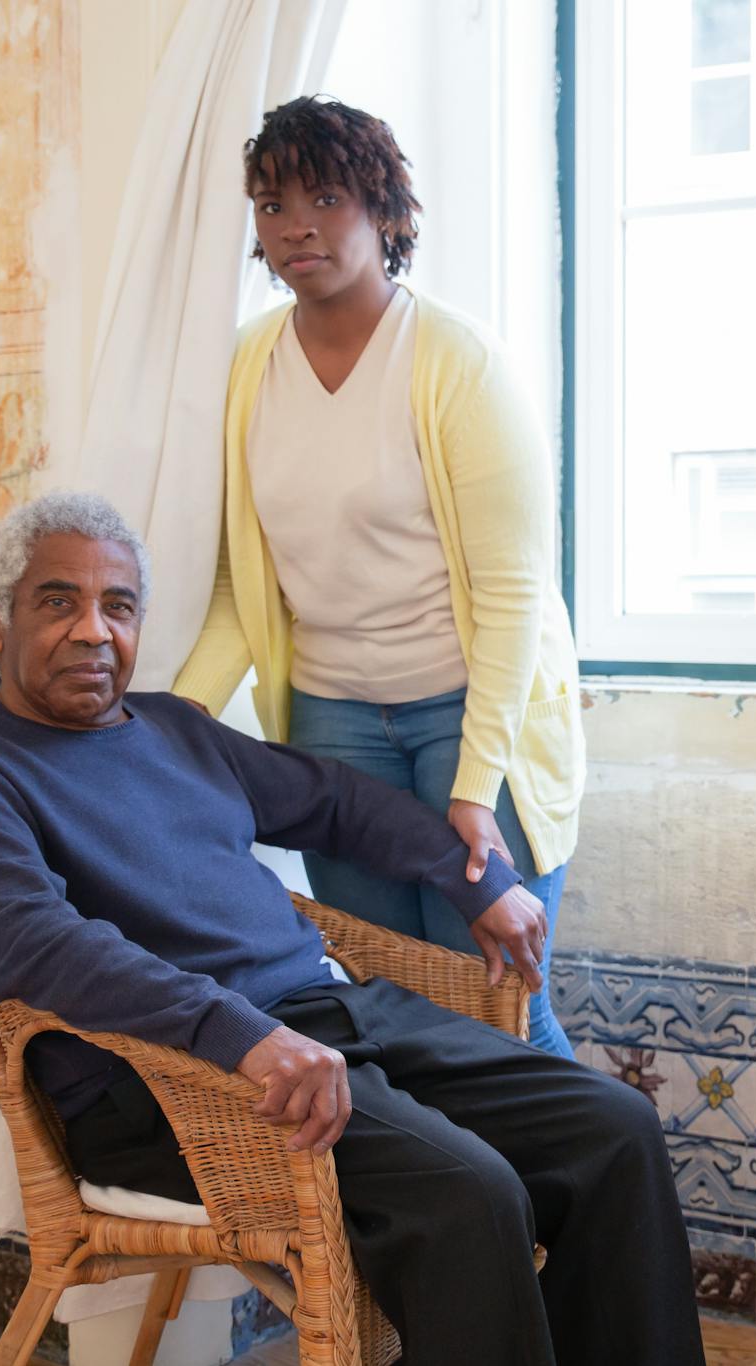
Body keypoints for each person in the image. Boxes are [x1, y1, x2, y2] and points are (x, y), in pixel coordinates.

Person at [0, 493, 703, 1366]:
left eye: (119, 606)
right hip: (175, 1081)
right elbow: (25, 942)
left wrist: (473, 877)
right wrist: (239, 1033)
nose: (94, 631)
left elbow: (330, 801)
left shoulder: (174, 728)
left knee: (614, 1130)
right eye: (59, 602)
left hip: (327, 1021)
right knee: (472, 1195)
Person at [171, 96, 583, 1058]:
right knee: (398, 1010)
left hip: (470, 720)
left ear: (386, 209)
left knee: (499, 1012)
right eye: (271, 206)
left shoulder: (457, 362)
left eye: (325, 196)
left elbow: (518, 595)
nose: (295, 227)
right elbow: (245, 588)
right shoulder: (244, 367)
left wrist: (476, 786)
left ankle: (571, 1209)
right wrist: (163, 729)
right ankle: (476, 1214)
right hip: (334, 729)